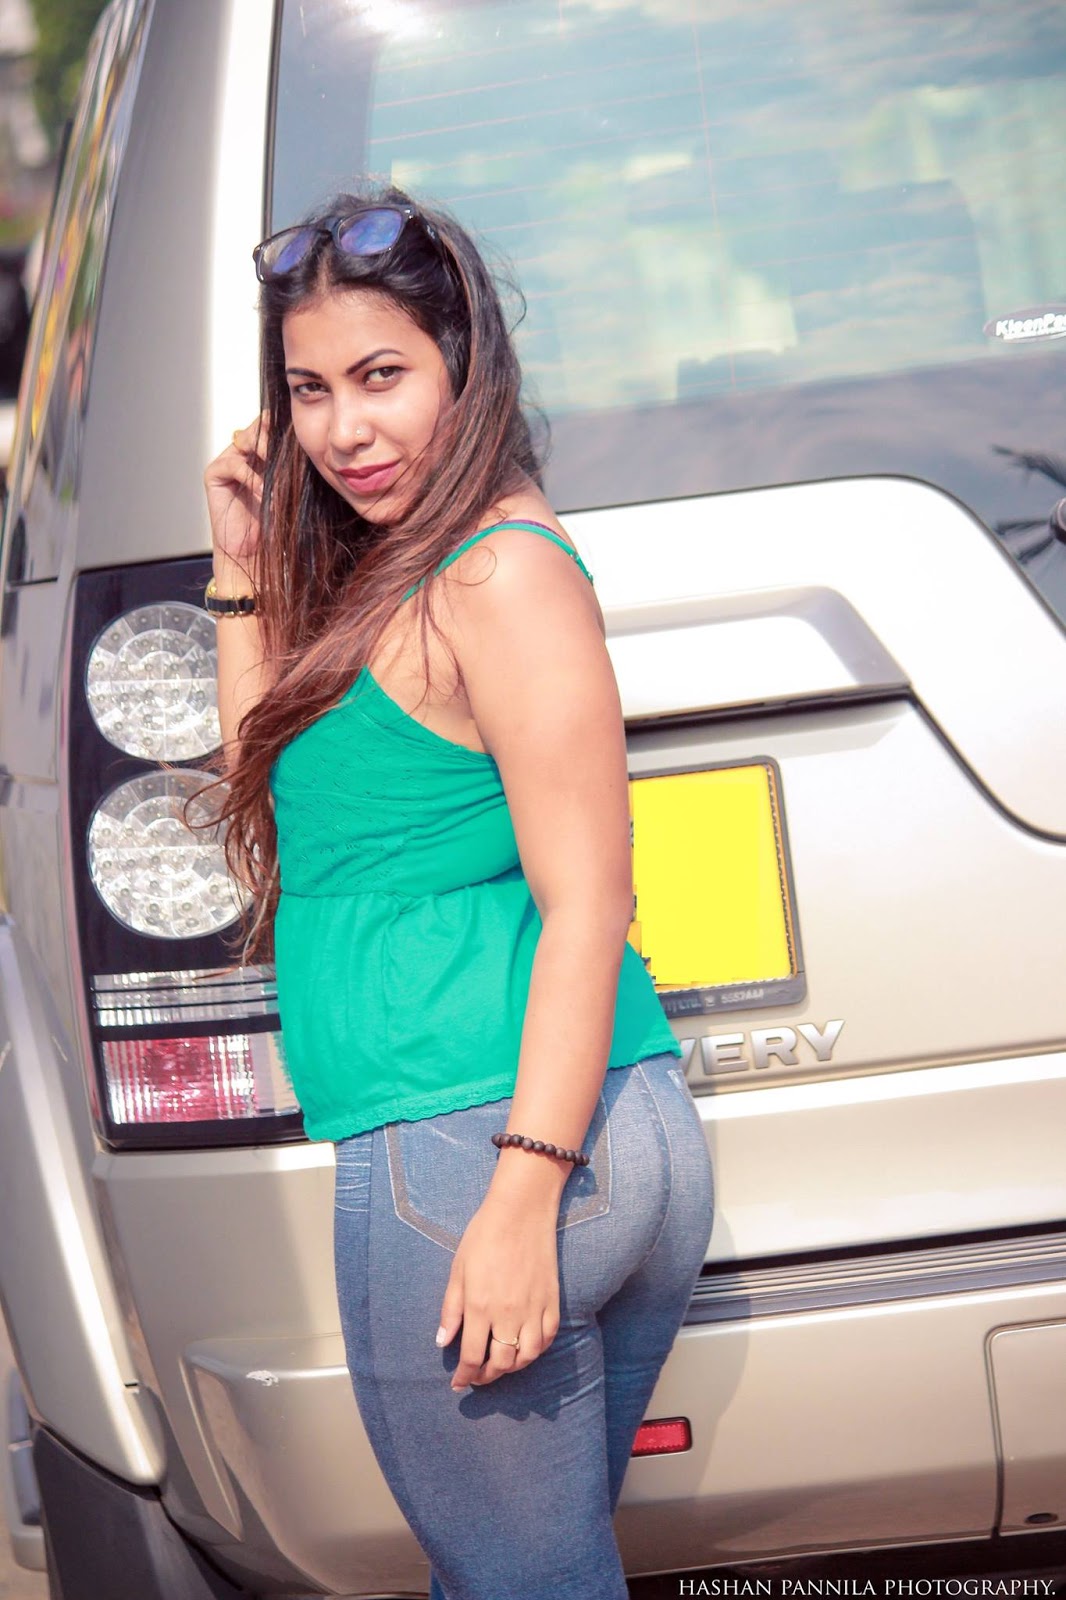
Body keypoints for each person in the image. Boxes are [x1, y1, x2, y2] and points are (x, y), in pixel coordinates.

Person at [203, 186, 714, 1600]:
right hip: (544, 1132)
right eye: (310, 390)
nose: (343, 430)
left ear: (464, 364)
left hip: (475, 1144)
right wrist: (240, 571)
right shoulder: (417, 571)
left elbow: (590, 902)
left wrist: (517, 1199)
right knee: (515, 1576)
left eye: (382, 376)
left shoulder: (496, 575)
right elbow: (280, 815)